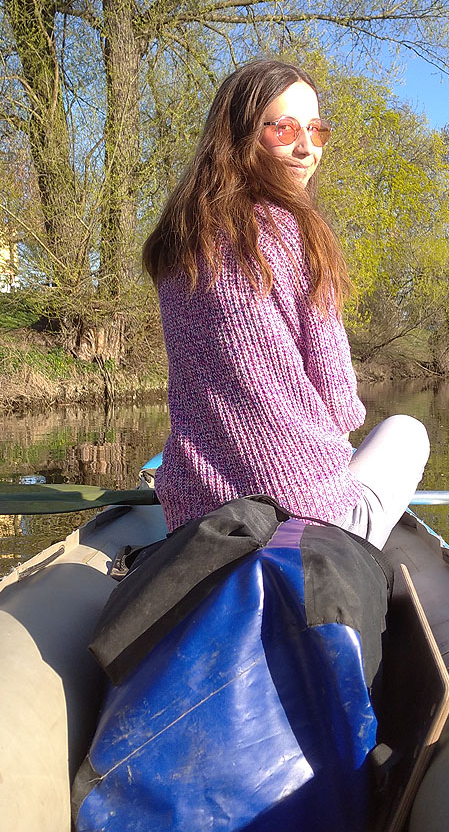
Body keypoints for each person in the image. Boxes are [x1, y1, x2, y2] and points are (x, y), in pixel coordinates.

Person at [142, 59, 429, 548]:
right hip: (304, 524)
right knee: (406, 431)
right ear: (242, 136)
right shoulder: (287, 229)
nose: (307, 147)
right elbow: (339, 402)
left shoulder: (180, 241)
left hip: (198, 514)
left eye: (317, 131)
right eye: (286, 129)